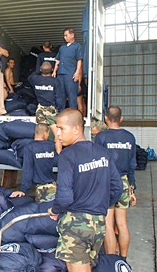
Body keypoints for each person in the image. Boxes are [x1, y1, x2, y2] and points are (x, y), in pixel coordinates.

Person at [48, 108, 123, 272]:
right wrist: (99, 205)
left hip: (76, 224)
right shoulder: (102, 152)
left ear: (76, 129)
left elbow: (65, 197)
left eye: (61, 128)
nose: (57, 134)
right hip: (99, 223)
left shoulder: (68, 156)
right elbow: (118, 187)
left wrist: (55, 210)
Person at [95, 106, 137, 260]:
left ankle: (111, 261)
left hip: (108, 183)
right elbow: (133, 164)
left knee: (107, 224)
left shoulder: (101, 137)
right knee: (122, 223)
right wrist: (132, 189)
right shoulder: (130, 137)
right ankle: (123, 259)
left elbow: (98, 163)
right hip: (124, 181)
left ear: (105, 118)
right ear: (121, 118)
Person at [11, 123, 57, 202]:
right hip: (55, 185)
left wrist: (23, 190)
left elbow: (27, 169)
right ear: (45, 133)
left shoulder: (29, 147)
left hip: (40, 188)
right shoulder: (52, 146)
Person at [28, 61, 65, 153]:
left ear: (41, 70)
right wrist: (60, 111)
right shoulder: (55, 81)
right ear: (52, 70)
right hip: (51, 110)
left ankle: (39, 154)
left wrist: (38, 70)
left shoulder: (35, 79)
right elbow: (59, 97)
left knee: (40, 133)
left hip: (40, 109)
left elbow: (30, 76)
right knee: (57, 134)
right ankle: (58, 154)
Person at [52, 28, 83, 109]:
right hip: (60, 74)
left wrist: (77, 73)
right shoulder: (62, 47)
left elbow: (79, 60)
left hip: (70, 74)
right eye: (64, 36)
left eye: (66, 35)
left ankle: (73, 115)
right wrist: (54, 71)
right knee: (60, 96)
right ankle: (60, 114)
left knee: (72, 96)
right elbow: (57, 60)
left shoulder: (77, 46)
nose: (65, 37)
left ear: (72, 35)